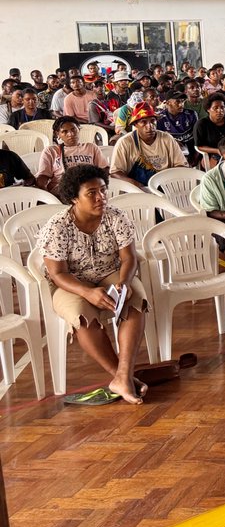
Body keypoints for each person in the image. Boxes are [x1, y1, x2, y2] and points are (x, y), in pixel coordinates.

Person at [36, 165, 149, 405]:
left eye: (103, 190)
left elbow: (129, 258)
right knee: (82, 316)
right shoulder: (58, 227)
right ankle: (121, 377)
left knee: (134, 300)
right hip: (70, 282)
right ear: (74, 198)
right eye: (91, 193)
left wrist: (124, 282)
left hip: (110, 272)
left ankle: (123, 376)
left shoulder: (116, 217)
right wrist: (86, 292)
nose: (101, 197)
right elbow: (57, 273)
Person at [109, 102, 186, 187]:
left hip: (165, 185)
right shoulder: (125, 142)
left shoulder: (167, 139)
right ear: (135, 124)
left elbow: (181, 165)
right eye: (143, 122)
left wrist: (168, 182)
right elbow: (115, 173)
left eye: (152, 121)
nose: (149, 126)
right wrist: (138, 186)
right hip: (137, 189)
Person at [36, 116, 109, 194]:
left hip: (88, 189)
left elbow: (104, 169)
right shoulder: (51, 151)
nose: (71, 134)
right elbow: (43, 176)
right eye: (65, 131)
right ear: (57, 134)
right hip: (61, 191)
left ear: (79, 129)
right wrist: (46, 193)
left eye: (73, 129)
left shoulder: (91, 147)